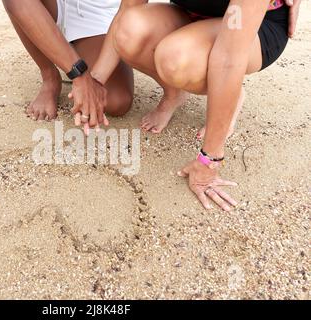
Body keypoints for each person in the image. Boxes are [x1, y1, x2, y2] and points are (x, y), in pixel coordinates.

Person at [79, 0, 302, 210]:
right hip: (194, 15)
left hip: (254, 26)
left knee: (176, 59)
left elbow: (228, 58)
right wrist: (95, 82)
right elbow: (129, 7)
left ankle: (231, 94)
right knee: (129, 29)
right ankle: (175, 94)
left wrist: (210, 160)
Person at [2, 0, 134, 128]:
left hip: (98, 9)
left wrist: (96, 81)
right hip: (56, 4)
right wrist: (80, 75)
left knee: (117, 101)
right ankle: (50, 76)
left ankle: (71, 50)